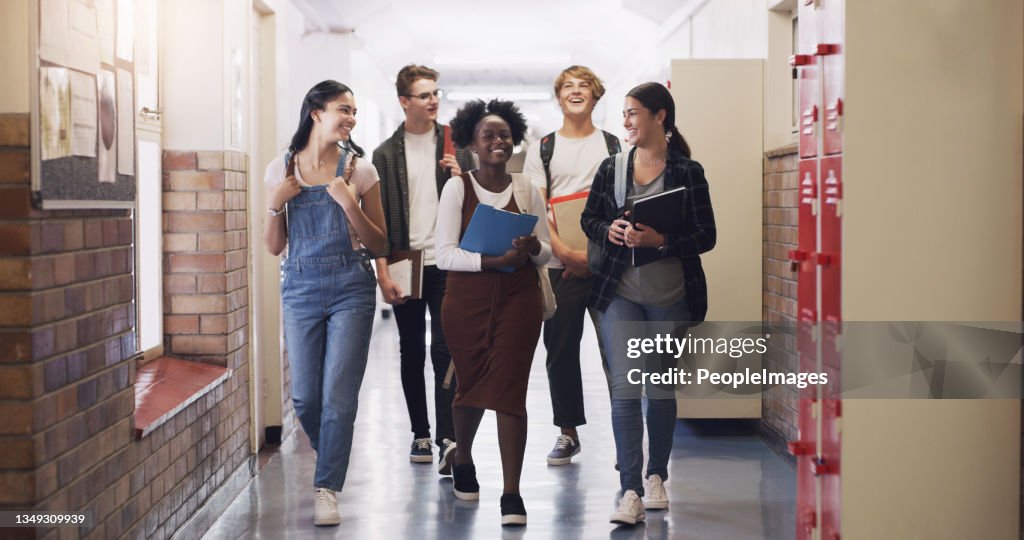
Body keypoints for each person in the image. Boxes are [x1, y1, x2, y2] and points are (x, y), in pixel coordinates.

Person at [581, 82, 716, 526]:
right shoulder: (612, 168)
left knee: (657, 388)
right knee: (625, 388)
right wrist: (610, 231)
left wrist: (662, 241)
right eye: (624, 113)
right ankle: (630, 490)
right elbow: (589, 218)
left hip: (669, 297)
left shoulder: (687, 172)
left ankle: (656, 475)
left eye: (634, 112)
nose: (627, 121)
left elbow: (706, 235)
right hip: (618, 295)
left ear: (661, 116)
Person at [263, 80, 387, 527]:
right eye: (343, 109)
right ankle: (332, 451)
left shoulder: (362, 170)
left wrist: (350, 204)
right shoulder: (281, 167)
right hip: (298, 286)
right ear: (316, 112)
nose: (351, 118)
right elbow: (274, 247)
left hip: (351, 285)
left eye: (354, 111)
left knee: (338, 397)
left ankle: (327, 487)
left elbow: (379, 242)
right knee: (305, 398)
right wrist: (276, 206)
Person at [435, 99, 551, 526]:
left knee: (509, 389)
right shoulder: (456, 188)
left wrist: (534, 249)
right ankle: (462, 457)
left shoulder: (527, 189)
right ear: (472, 144)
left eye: (504, 134)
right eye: (489, 135)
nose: (498, 141)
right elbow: (443, 254)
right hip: (466, 301)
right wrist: (492, 261)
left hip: (519, 300)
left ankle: (512, 493)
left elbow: (548, 254)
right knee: (468, 385)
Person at [372, 65, 475, 473]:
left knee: (445, 350)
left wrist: (461, 177)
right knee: (411, 349)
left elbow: (480, 203)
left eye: (436, 93)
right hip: (404, 260)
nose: (433, 100)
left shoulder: (458, 145)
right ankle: (421, 432)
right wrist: (381, 270)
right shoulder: (384, 154)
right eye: (424, 94)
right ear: (404, 101)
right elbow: (377, 221)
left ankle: (449, 437)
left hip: (447, 260)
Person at [522, 65, 620, 466]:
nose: (576, 92)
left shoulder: (615, 145)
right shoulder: (542, 148)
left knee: (617, 350)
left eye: (584, 87)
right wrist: (563, 252)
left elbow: (622, 202)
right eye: (568, 87)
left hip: (609, 265)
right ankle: (567, 432)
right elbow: (538, 206)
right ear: (559, 97)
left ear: (596, 97)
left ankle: (624, 433)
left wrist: (596, 255)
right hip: (560, 264)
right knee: (560, 349)